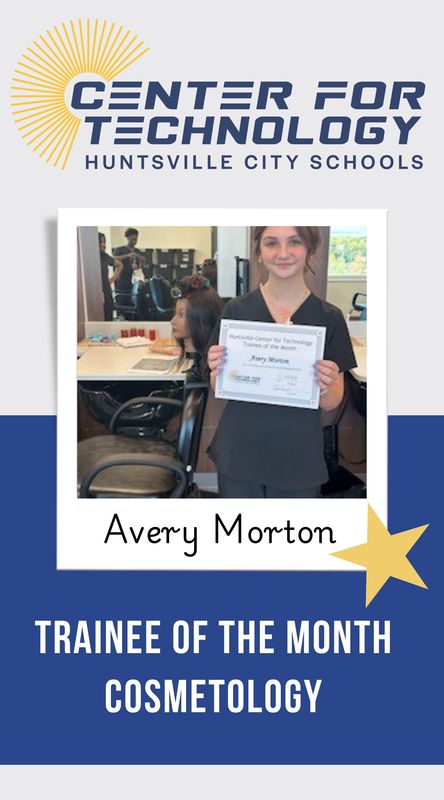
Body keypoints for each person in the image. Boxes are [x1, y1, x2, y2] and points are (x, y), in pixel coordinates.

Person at [207, 226, 357, 498]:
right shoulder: (236, 311)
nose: (283, 253)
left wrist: (324, 384)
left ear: (309, 249)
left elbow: (333, 401)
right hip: (240, 451)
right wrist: (217, 369)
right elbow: (218, 387)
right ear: (260, 252)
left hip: (297, 457)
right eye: (272, 243)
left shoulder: (329, 317)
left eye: (295, 242)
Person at [171, 275, 225, 380]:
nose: (172, 321)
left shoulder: (215, 368)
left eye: (182, 315)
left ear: (201, 318)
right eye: (175, 314)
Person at [113, 227, 145, 304]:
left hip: (134, 281)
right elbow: (113, 259)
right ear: (127, 238)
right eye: (132, 239)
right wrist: (127, 255)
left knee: (134, 303)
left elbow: (141, 266)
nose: (134, 242)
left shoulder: (138, 251)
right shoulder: (120, 250)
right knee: (123, 302)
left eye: (136, 239)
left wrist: (140, 260)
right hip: (122, 281)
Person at [98, 233, 123, 321]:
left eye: (104, 242)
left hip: (106, 291)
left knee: (108, 316)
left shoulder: (105, 257)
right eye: (100, 242)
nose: (104, 245)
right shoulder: (89, 257)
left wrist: (112, 279)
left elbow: (119, 265)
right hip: (94, 293)